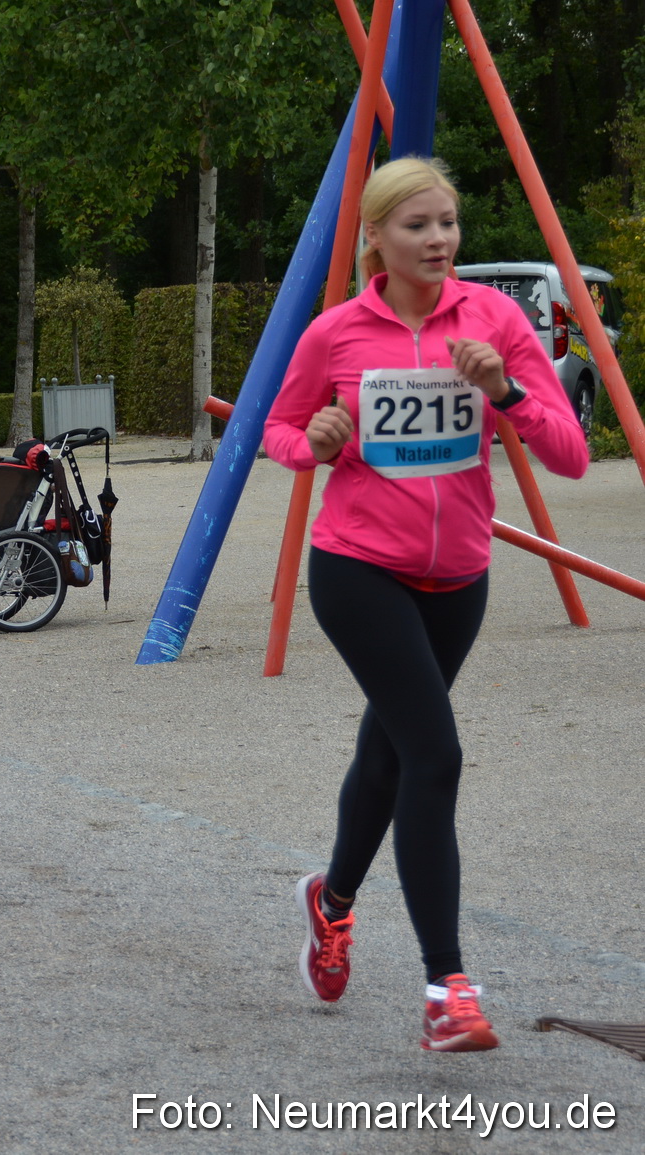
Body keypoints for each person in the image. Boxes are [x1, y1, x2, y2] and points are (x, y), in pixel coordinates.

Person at [263, 158, 588, 1053]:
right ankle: (448, 986)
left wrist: (507, 392)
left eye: (448, 222)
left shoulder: (497, 321)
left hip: (461, 577)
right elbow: (278, 430)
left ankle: (329, 903)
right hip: (359, 568)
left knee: (391, 753)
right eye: (417, 225)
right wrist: (315, 442)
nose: (439, 240)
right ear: (375, 238)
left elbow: (570, 454)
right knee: (434, 752)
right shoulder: (335, 332)